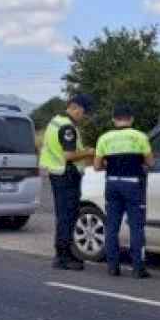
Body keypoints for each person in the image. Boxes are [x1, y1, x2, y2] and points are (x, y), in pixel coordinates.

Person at [94, 104, 155, 278]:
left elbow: (97, 165)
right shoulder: (139, 137)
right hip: (133, 185)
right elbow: (151, 163)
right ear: (131, 119)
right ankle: (138, 268)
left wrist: (110, 164)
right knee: (136, 227)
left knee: (112, 227)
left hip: (112, 184)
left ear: (114, 119)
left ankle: (113, 267)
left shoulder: (104, 138)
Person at [40, 94, 96, 270]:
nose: (84, 117)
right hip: (66, 175)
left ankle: (64, 253)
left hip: (58, 174)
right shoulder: (67, 127)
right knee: (67, 216)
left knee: (64, 215)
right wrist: (89, 152)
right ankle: (63, 256)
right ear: (75, 107)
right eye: (84, 113)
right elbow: (69, 155)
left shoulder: (56, 121)